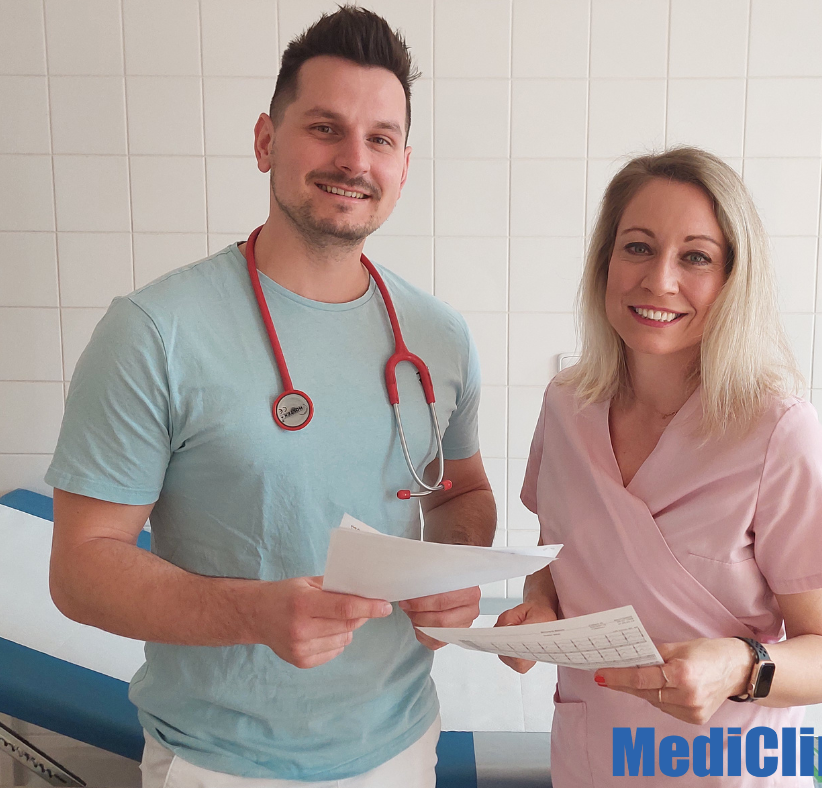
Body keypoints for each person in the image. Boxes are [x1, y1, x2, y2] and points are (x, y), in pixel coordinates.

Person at [45, 7, 496, 787]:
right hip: (218, 762)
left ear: (403, 165)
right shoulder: (155, 332)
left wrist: (452, 570)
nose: (354, 159)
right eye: (325, 128)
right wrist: (252, 614)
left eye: (381, 138)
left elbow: (463, 494)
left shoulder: (440, 337)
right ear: (265, 141)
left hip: (401, 743)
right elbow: (81, 568)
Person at [497, 147, 822, 786]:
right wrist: (540, 607)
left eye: (695, 257)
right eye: (638, 247)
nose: (659, 280)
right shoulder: (565, 405)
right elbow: (560, 553)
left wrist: (740, 667)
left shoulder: (781, 436)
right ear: (605, 262)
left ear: (733, 279)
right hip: (592, 758)